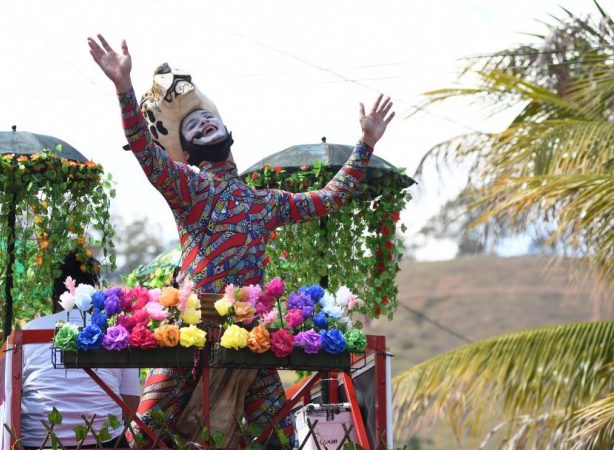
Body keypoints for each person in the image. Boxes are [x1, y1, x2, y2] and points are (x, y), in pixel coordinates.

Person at [88, 34, 394, 447]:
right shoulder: (188, 190)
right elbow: (145, 150)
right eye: (192, 126)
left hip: (249, 338)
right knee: (143, 435)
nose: (204, 123)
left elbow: (329, 198)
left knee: (281, 439)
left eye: (206, 119)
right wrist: (124, 88)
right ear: (190, 150)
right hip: (188, 333)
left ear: (226, 130)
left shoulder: (264, 203)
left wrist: (366, 143)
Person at [20, 252, 141, 449]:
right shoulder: (114, 334)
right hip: (103, 441)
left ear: (54, 296)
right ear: (94, 297)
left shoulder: (30, 330)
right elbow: (130, 401)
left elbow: (13, 395)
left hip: (38, 441)